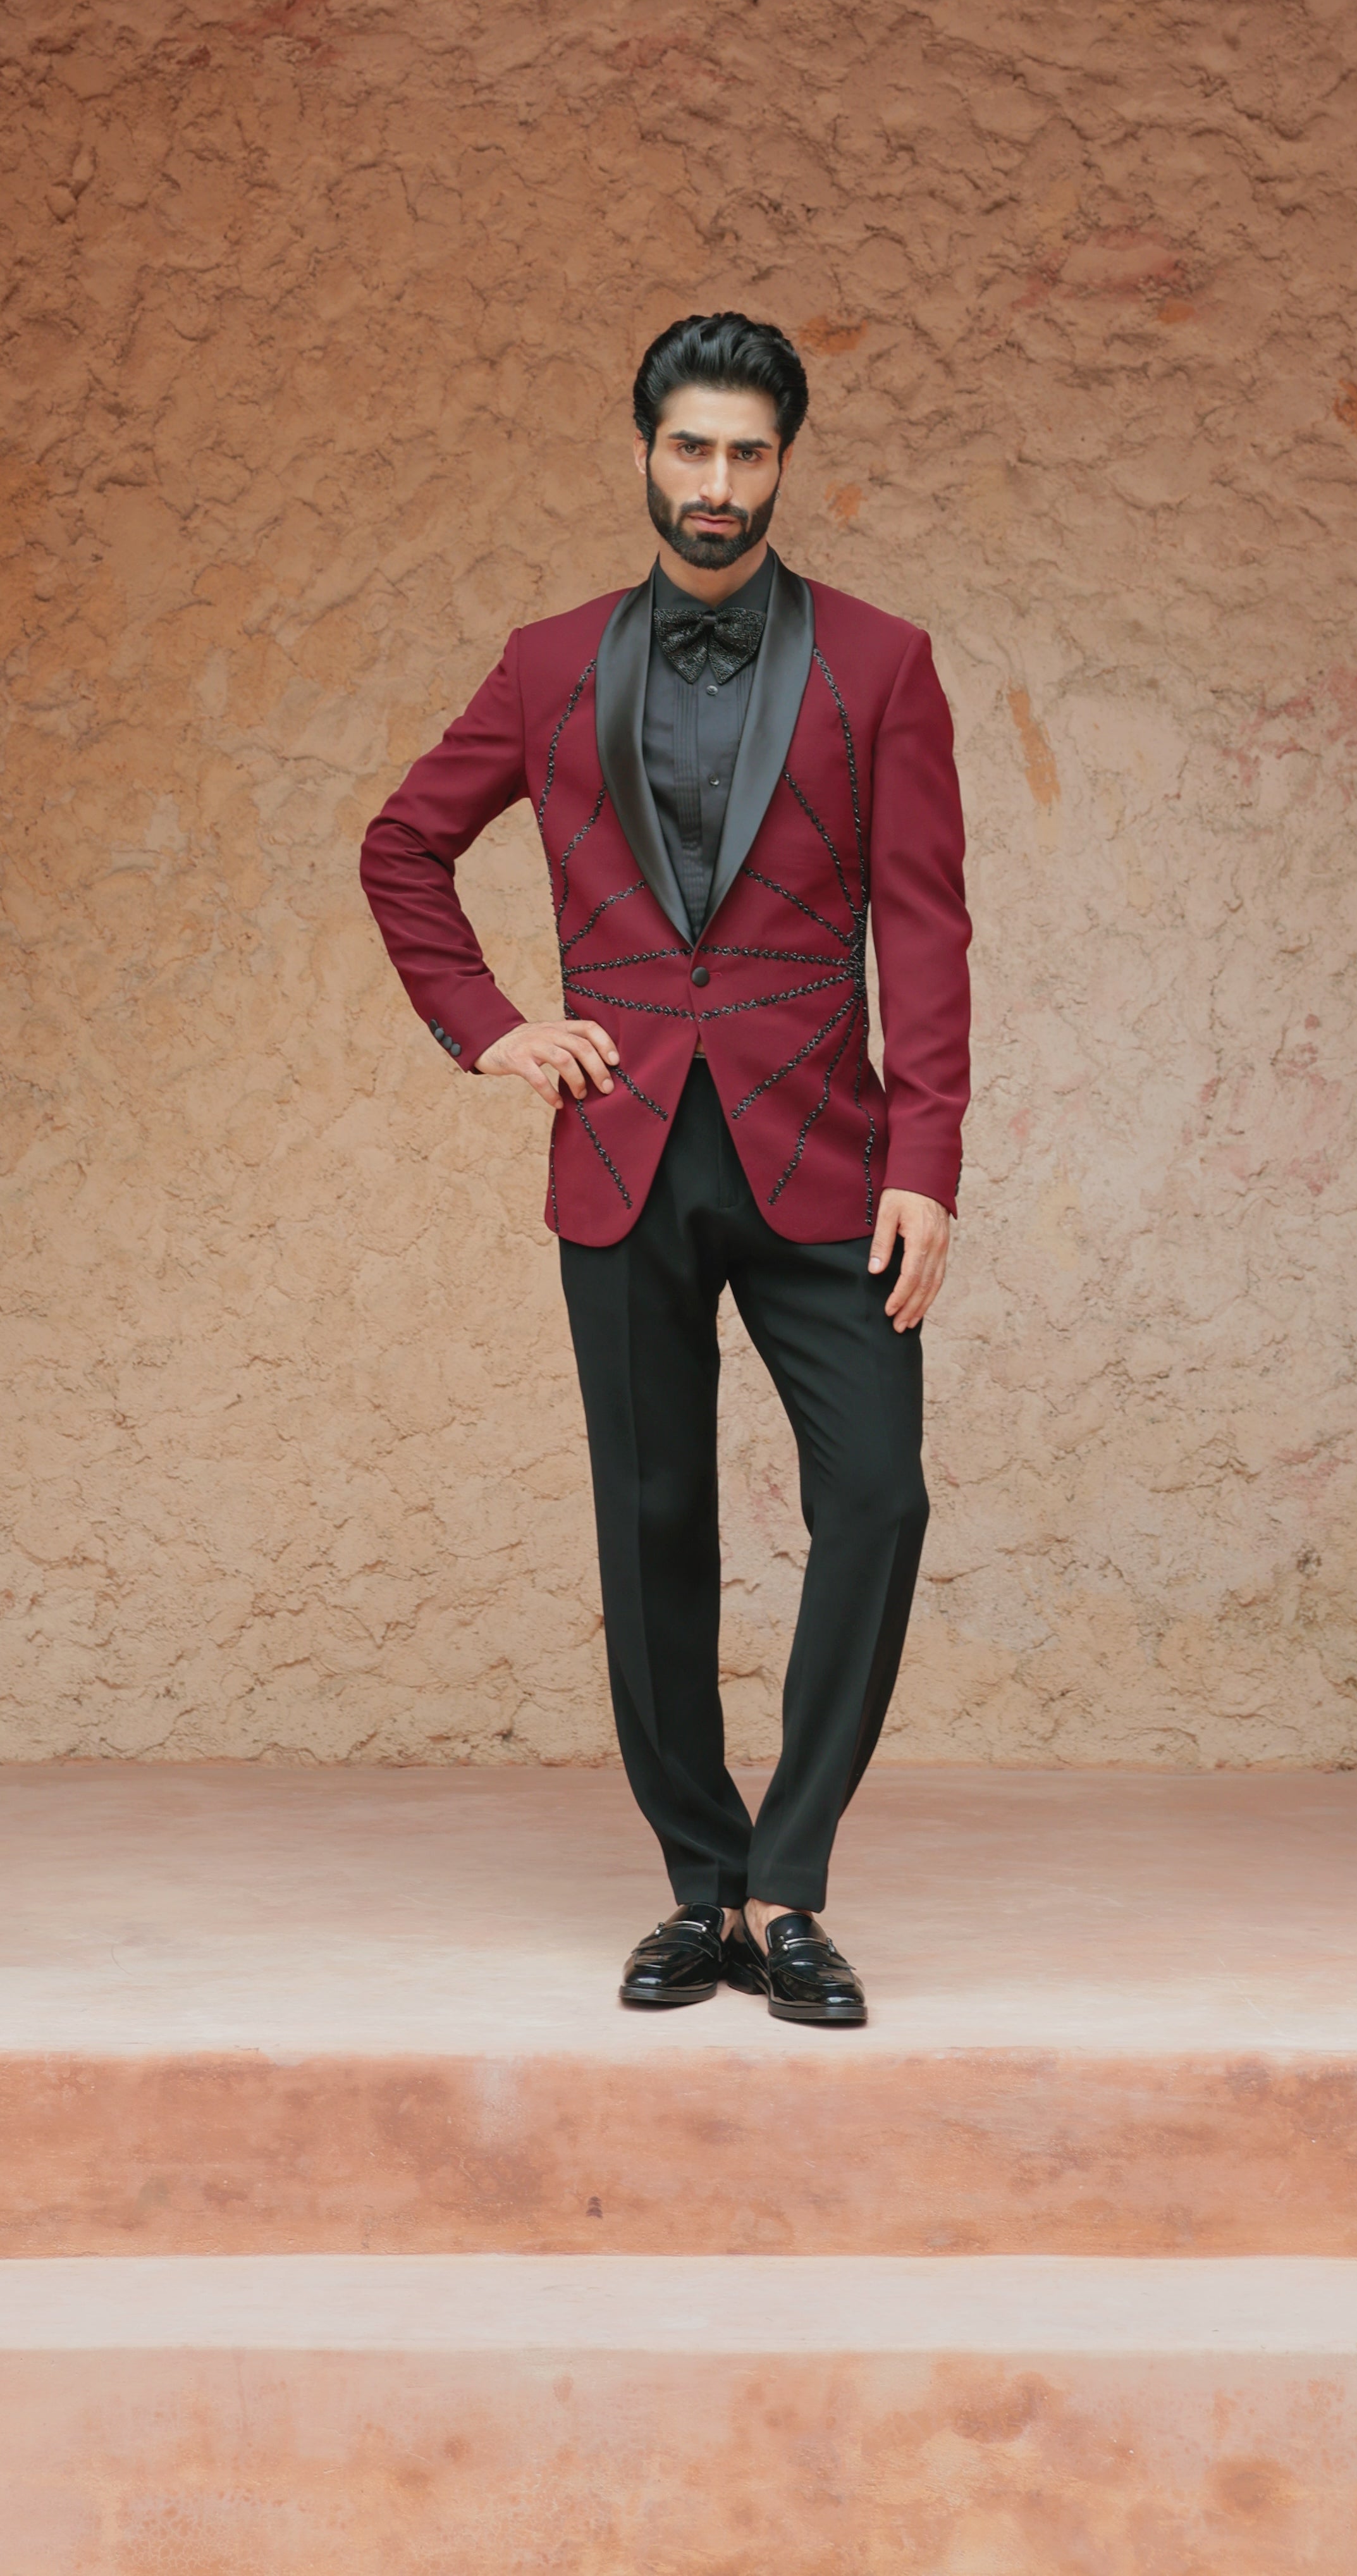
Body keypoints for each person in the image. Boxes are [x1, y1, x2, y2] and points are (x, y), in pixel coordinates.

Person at [359, 311, 973, 2026]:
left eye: (746, 453)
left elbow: (922, 922)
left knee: (879, 1494)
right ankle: (698, 1886)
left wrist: (925, 1151)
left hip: (825, 1153)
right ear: (642, 451)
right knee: (654, 1524)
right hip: (618, 1145)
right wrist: (487, 1022)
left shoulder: (882, 662)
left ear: (784, 460)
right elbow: (401, 843)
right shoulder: (551, 661)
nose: (715, 484)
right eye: (688, 449)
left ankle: (791, 1882)